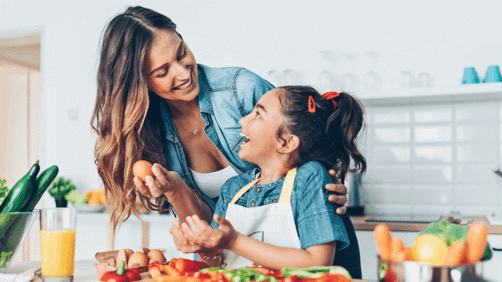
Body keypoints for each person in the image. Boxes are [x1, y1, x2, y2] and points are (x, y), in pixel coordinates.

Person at [91, 5, 358, 274]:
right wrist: (176, 191)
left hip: (323, 257)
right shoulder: (149, 135)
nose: (183, 74)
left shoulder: (240, 89)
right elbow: (215, 238)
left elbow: (303, 138)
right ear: (139, 84)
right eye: (162, 72)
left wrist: (327, 183)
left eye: (182, 53)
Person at [170, 86, 367, 273]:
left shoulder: (309, 178)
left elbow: (318, 263)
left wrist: (233, 242)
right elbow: (212, 268)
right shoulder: (233, 189)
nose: (242, 121)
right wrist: (205, 248)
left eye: (258, 114)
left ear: (286, 142)